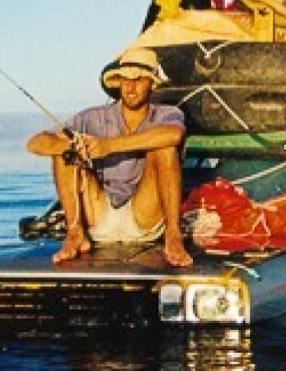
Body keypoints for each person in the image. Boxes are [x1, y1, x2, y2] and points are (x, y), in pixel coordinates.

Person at [27, 47, 193, 267]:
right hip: (99, 214)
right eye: (125, 80)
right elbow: (36, 143)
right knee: (63, 154)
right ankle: (75, 234)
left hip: (144, 217)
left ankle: (173, 236)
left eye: (138, 80)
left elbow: (174, 135)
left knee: (164, 148)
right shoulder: (93, 117)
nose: (130, 87)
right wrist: (73, 144)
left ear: (152, 84)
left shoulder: (167, 114)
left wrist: (108, 146)